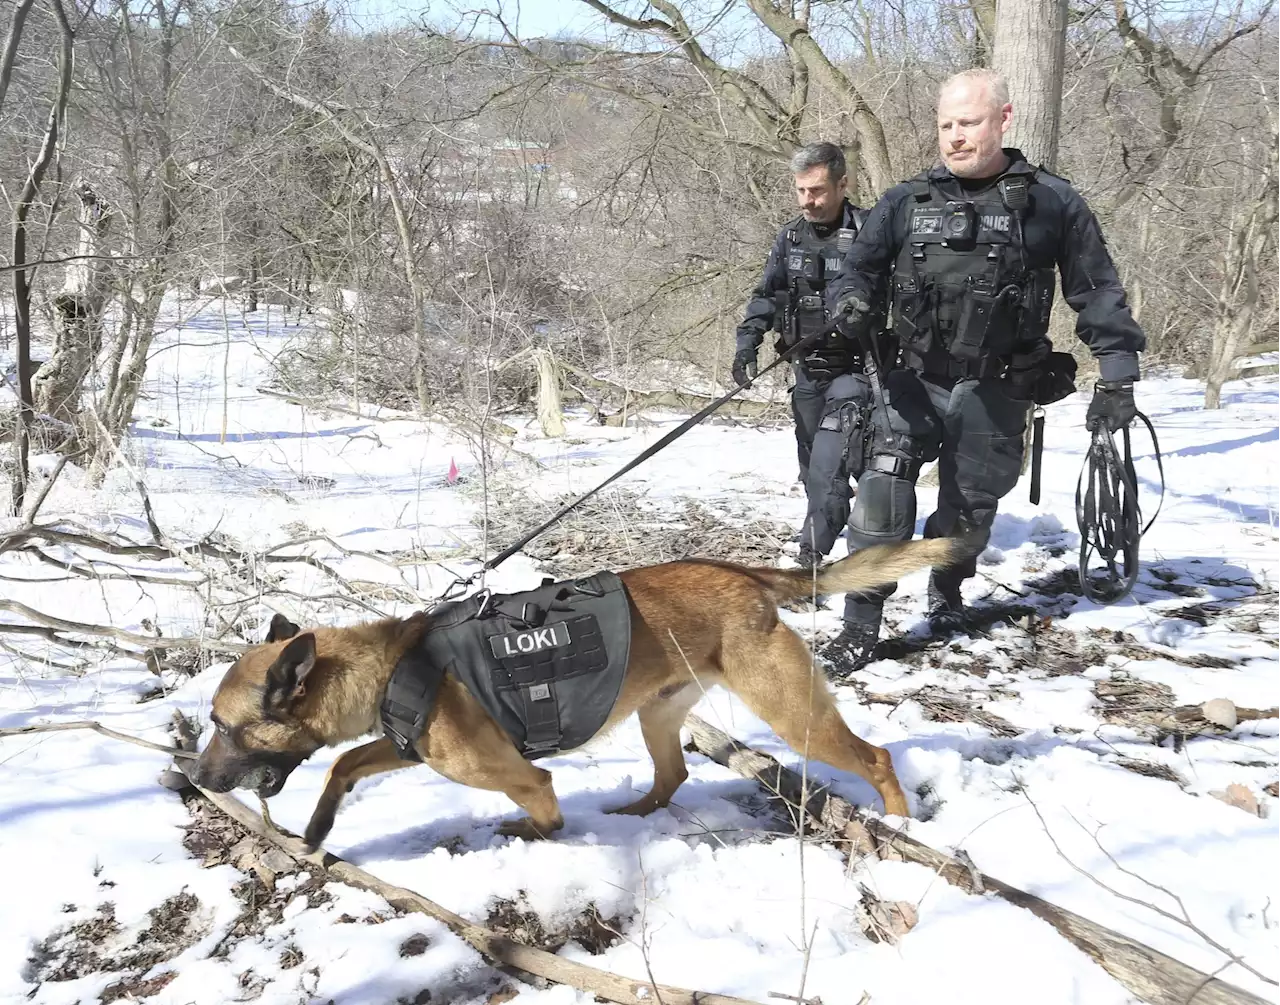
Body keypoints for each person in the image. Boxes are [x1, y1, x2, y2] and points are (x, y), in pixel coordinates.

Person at [819, 67, 1145, 677]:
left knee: (969, 506)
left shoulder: (1052, 202)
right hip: (909, 380)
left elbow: (1096, 289)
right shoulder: (905, 202)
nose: (955, 137)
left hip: (999, 387)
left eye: (968, 123)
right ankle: (859, 627)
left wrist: (1118, 372)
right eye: (946, 125)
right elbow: (856, 268)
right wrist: (851, 301)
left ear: (1004, 119)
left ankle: (946, 599)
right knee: (882, 496)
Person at [731, 142, 880, 570]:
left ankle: (810, 559)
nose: (807, 201)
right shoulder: (790, 237)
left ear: (842, 184)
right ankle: (850, 524)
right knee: (814, 464)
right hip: (807, 371)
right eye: (800, 191)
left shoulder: (870, 234)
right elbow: (766, 296)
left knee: (828, 468)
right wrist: (747, 344)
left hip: (855, 371)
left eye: (816, 191)